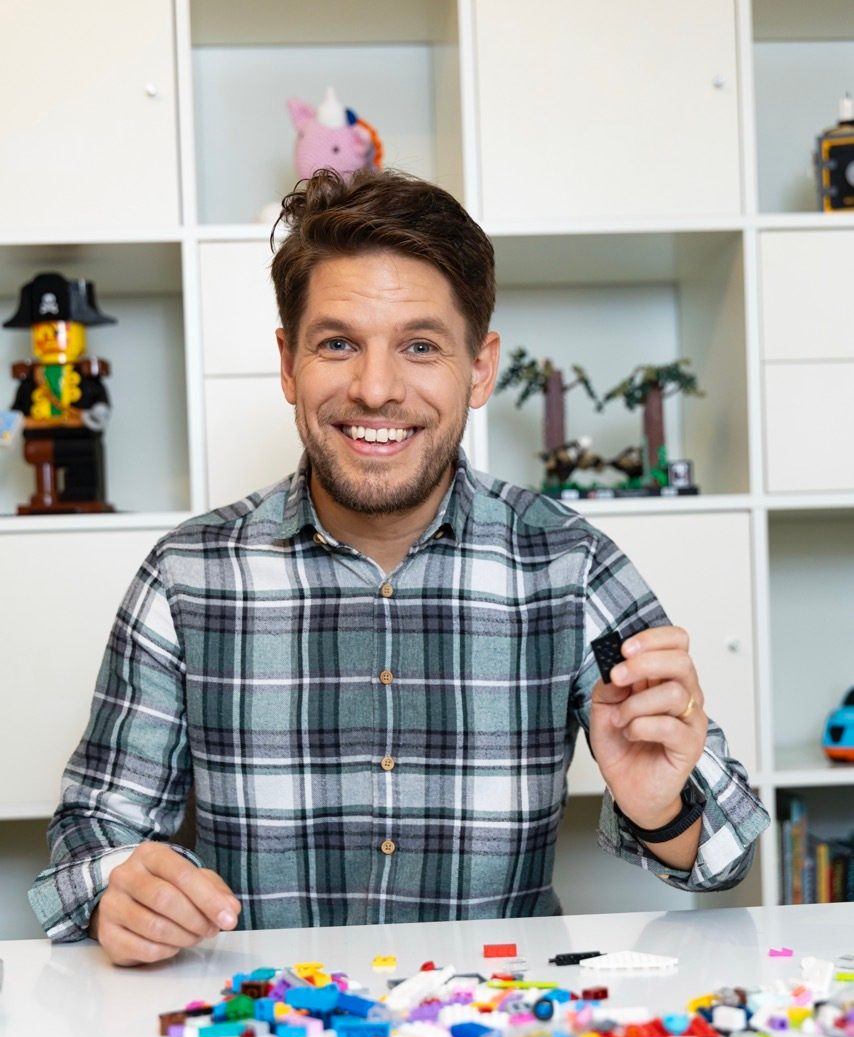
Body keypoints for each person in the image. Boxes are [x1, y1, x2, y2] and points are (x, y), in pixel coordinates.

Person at [29, 169, 769, 965]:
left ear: (479, 369)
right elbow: (90, 841)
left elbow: (725, 857)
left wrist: (663, 811)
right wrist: (119, 888)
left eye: (420, 346)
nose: (376, 389)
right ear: (288, 363)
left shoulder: (570, 562)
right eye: (338, 342)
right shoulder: (186, 576)